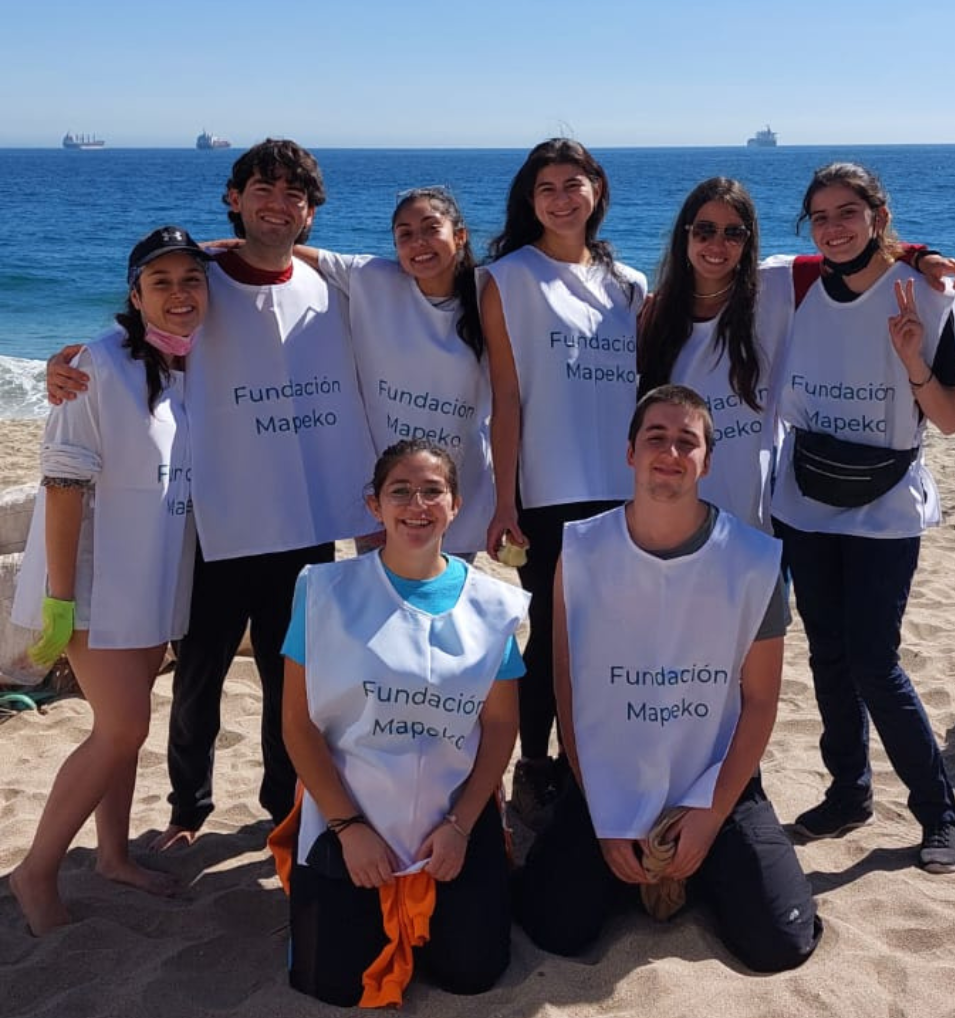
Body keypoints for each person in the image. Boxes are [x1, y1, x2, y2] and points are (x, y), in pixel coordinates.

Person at [45, 139, 377, 850]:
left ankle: (281, 806)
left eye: (293, 193)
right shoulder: (203, 278)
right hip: (213, 519)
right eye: (262, 188)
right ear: (234, 197)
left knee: (293, 681)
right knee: (200, 678)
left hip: (305, 519)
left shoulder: (332, 291)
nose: (277, 202)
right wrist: (64, 362)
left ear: (312, 212)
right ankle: (188, 810)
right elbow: (138, 330)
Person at [515, 385, 821, 972]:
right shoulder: (580, 550)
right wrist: (604, 813)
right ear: (630, 452)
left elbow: (759, 703)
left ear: (707, 461)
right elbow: (567, 690)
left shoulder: (754, 560)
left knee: (781, 941)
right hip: (609, 778)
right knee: (556, 927)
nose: (671, 452)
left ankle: (704, 868)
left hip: (712, 783)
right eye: (657, 437)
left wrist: (708, 819)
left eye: (688, 442)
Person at [274, 439, 530, 1006]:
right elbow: (297, 725)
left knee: (472, 973)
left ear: (456, 505)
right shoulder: (324, 590)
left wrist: (461, 826)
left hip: (451, 822)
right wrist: (348, 828)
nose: (417, 504)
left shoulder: (491, 605)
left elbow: (500, 729)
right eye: (400, 491)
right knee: (335, 985)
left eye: (432, 491)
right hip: (353, 816)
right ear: (375, 506)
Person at [10, 227, 210, 934]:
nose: (180, 295)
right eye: (161, 283)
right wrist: (60, 601)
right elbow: (62, 483)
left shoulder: (192, 364)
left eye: (193, 280)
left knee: (120, 728)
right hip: (92, 582)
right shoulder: (96, 364)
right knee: (123, 728)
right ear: (134, 295)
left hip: (153, 578)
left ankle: (114, 856)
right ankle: (36, 873)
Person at [771, 162, 955, 873]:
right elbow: (719, 263)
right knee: (825, 653)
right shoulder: (794, 281)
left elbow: (949, 419)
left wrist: (913, 359)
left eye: (847, 212)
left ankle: (939, 813)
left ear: (877, 215)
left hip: (886, 506)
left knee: (874, 661)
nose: (833, 227)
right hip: (806, 498)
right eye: (819, 216)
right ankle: (849, 792)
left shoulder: (924, 292)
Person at [639, 176, 955, 531]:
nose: (717, 244)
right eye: (704, 231)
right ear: (685, 234)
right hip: (672, 504)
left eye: (733, 233)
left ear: (748, 239)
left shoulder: (775, 287)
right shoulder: (655, 316)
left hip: (758, 515)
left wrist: (921, 256)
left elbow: (854, 253)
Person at [478, 138, 647, 827]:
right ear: (530, 198)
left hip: (625, 488)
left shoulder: (628, 284)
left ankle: (595, 756)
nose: (560, 197)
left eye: (572, 183)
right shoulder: (507, 277)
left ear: (596, 191)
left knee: (609, 631)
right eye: (545, 186)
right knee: (549, 631)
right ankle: (534, 763)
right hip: (549, 489)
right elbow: (507, 397)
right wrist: (503, 497)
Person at [290, 186, 493, 555]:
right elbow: (280, 252)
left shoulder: (488, 298)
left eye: (431, 229)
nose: (419, 242)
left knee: (442, 601)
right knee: (380, 600)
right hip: (383, 487)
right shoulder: (374, 279)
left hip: (458, 489)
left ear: (459, 235)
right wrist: (209, 252)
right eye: (405, 234)